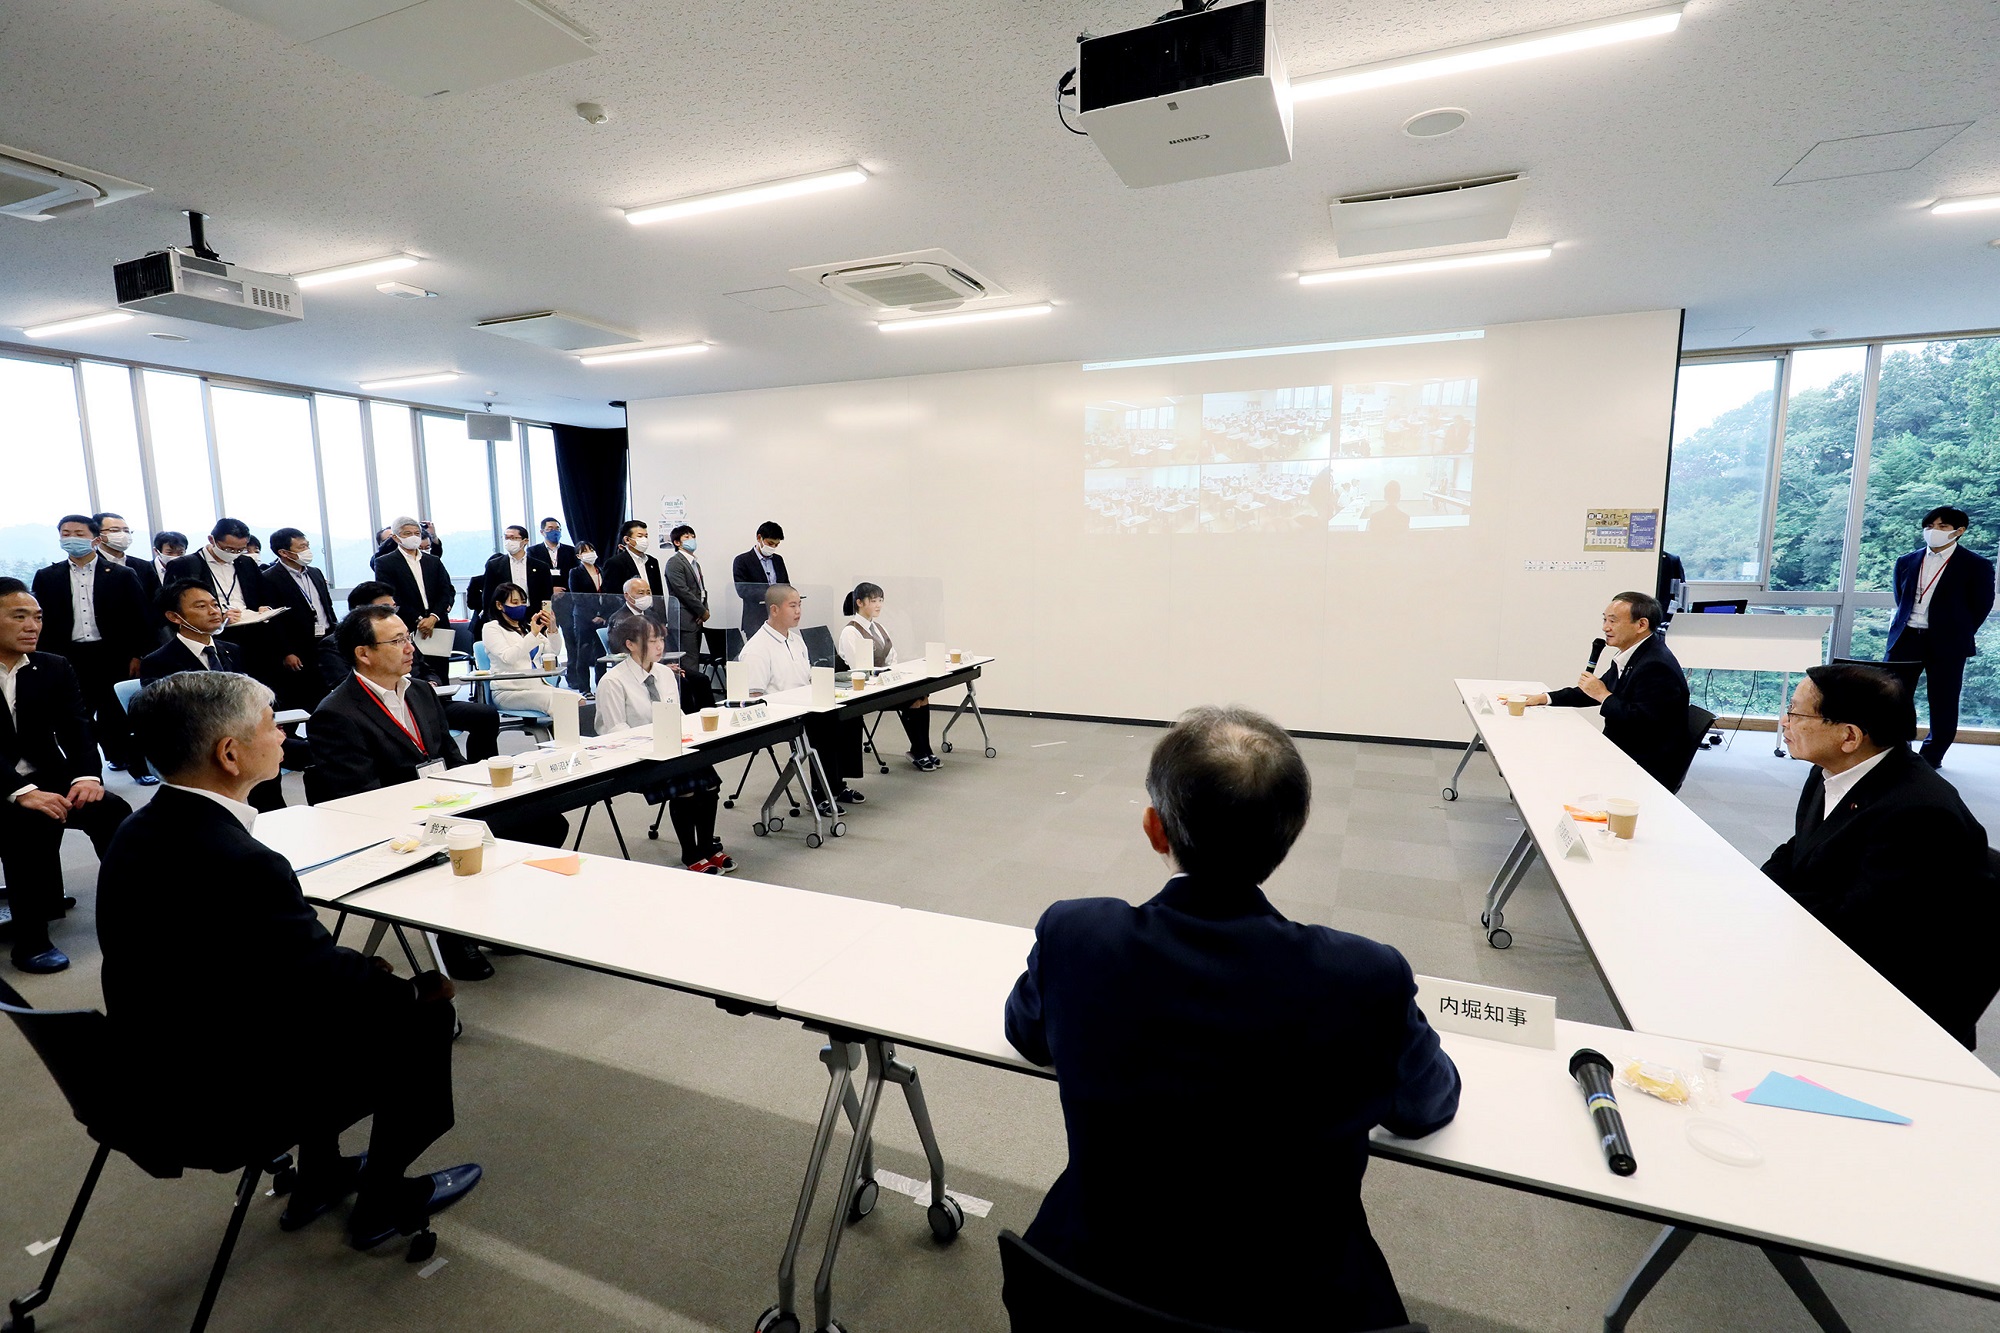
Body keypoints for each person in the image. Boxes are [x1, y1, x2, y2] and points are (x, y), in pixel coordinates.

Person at [1004, 706, 1458, 1331]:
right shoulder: (1363, 976)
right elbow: (1423, 1107)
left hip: (1089, 1290)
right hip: (1299, 1308)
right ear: (1293, 831)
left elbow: (1026, 1034)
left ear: (1154, 830)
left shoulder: (1077, 934)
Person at [104, 670, 480, 1249]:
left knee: (335, 999)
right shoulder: (239, 859)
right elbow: (320, 980)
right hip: (229, 1095)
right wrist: (408, 990)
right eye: (270, 724)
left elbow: (274, 968)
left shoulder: (135, 833)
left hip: (153, 1070)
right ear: (229, 753)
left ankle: (322, 1176)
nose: (283, 734)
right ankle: (384, 1199)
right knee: (423, 1016)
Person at [310, 606, 566, 980]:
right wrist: (436, 809)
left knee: (545, 824)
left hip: (449, 804)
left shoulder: (420, 693)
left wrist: (478, 788)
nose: (410, 647)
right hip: (395, 823)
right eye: (397, 641)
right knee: (465, 841)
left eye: (408, 637)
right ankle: (453, 933)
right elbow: (359, 797)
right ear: (363, 653)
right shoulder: (336, 713)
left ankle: (490, 914)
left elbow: (449, 755)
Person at [1763, 664, 1998, 1047]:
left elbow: (1862, 923)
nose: (1784, 722)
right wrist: (1755, 890)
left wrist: (1769, 912)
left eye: (1796, 713)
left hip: (1890, 997)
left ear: (1850, 735)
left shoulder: (1919, 812)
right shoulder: (1836, 769)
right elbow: (1799, 848)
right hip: (1828, 949)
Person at [0, 578, 133, 974]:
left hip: (46, 775)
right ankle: (31, 939)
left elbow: (76, 728)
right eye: (19, 616)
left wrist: (86, 777)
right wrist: (20, 791)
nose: (32, 626)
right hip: (2, 786)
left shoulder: (53, 666)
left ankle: (132, 910)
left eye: (37, 617)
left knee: (112, 810)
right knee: (27, 820)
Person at [596, 613, 733, 874]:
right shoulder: (612, 682)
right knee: (687, 785)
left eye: (661, 639)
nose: (660, 646)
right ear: (630, 644)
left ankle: (706, 846)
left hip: (670, 747)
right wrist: (656, 743)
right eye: (652, 640)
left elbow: (675, 714)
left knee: (709, 780)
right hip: (636, 756)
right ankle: (690, 852)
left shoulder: (665, 674)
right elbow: (616, 734)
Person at [142, 579, 287, 813]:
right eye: (200, 606)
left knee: (277, 754)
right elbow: (168, 717)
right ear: (174, 617)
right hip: (200, 745)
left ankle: (274, 817)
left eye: (215, 604)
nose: (213, 611)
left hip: (243, 737)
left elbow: (253, 699)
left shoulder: (232, 650)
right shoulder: (159, 662)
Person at [1526, 591, 1692, 790]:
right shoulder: (1636, 652)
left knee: (1556, 761)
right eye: (1605, 620)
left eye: (1613, 621)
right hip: (1623, 748)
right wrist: (1544, 698)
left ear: (1641, 625)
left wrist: (1603, 695)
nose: (1605, 627)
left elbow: (1641, 721)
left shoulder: (1656, 665)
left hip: (1645, 762)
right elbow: (1592, 691)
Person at [30, 515, 149, 778]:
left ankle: (135, 766)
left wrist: (138, 655)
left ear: (95, 538)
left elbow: (139, 618)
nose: (71, 538)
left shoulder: (122, 574)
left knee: (118, 713)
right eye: (65, 533)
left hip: (112, 654)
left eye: (79, 534)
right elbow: (41, 620)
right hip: (68, 656)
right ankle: (88, 773)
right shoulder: (47, 576)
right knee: (74, 717)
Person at [1886, 506, 1996, 769]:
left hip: (1948, 642)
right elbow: (1900, 599)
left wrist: (1958, 631)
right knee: (1893, 697)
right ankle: (1896, 750)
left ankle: (1931, 758)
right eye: (1929, 526)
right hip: (1906, 637)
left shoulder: (1976, 565)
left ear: (1959, 531)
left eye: (1942, 527)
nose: (1934, 531)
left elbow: (1981, 605)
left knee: (1943, 700)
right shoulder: (1906, 561)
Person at [738, 584, 864, 813]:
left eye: (800, 605)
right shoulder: (756, 648)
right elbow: (754, 697)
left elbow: (806, 677)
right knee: (824, 724)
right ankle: (819, 794)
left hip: (804, 705)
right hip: (780, 714)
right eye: (792, 606)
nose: (798, 611)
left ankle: (837, 784)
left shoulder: (796, 640)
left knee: (849, 714)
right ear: (774, 610)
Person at [348, 582, 500, 763]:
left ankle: (482, 770)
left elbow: (428, 670)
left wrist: (431, 683)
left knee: (484, 715)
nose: (409, 648)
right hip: (380, 707)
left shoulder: (405, 642)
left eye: (393, 607)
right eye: (384, 608)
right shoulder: (342, 647)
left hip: (421, 698)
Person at [838, 582, 939, 771]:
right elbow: (859, 669)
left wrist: (892, 674)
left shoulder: (879, 627)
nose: (878, 605)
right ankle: (918, 749)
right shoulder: (850, 631)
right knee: (913, 700)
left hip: (886, 683)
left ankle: (923, 748)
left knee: (922, 695)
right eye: (873, 600)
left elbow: (892, 657)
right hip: (869, 690)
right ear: (859, 602)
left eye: (880, 600)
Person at [369, 516, 457, 684]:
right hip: (407, 625)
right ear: (395, 537)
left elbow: (445, 591)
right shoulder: (385, 563)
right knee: (414, 674)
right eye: (407, 533)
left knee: (441, 675)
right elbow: (392, 596)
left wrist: (433, 617)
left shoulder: (433, 561)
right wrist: (419, 620)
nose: (413, 537)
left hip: (438, 625)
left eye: (416, 533)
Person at [263, 527, 340, 711]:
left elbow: (326, 605)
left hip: (325, 637)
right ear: (283, 552)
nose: (307, 550)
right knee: (303, 693)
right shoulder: (270, 578)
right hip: (298, 645)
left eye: (307, 545)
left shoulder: (315, 572)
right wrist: (287, 651)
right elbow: (274, 621)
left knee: (327, 689)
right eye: (301, 547)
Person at [479, 582, 562, 714]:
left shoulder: (526, 627)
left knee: (578, 700)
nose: (520, 606)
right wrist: (533, 634)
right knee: (561, 703)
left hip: (536, 687)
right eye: (515, 602)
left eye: (523, 602)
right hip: (509, 691)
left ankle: (567, 734)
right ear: (499, 605)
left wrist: (552, 628)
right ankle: (564, 734)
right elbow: (508, 657)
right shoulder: (491, 628)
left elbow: (553, 651)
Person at [92, 511, 160, 636]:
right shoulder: (91, 566)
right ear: (98, 535)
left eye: (126, 531)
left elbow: (156, 602)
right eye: (115, 530)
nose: (122, 535)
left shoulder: (143, 566)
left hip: (142, 637)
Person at [481, 525, 555, 627]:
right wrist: (490, 618)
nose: (509, 541)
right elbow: (488, 595)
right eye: (506, 538)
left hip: (533, 615)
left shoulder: (541, 566)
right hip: (505, 615)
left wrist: (545, 618)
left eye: (513, 538)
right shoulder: (494, 565)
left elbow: (547, 595)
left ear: (525, 541)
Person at [662, 525, 710, 671]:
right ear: (677, 542)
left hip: (696, 619)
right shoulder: (675, 562)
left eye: (693, 536)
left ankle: (694, 691)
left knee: (693, 658)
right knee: (688, 661)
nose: (692, 540)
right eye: (687, 537)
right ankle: (688, 692)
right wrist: (702, 611)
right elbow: (682, 591)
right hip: (684, 619)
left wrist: (704, 610)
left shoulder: (695, 563)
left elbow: (700, 590)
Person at [565, 542, 610, 691]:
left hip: (602, 617)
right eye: (585, 551)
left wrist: (603, 615)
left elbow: (608, 594)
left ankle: (602, 686)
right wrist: (591, 616)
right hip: (584, 618)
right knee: (583, 653)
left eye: (591, 549)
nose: (590, 553)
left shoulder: (601, 571)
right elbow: (577, 597)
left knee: (601, 654)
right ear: (578, 556)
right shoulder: (575, 572)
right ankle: (584, 688)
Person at [732, 521, 790, 634]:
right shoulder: (742, 561)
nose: (773, 547)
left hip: (778, 618)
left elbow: (786, 584)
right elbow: (743, 590)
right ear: (759, 538)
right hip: (755, 620)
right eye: (770, 543)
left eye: (776, 545)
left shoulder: (778, 560)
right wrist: (772, 594)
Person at [601, 519, 663, 601]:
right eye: (640, 536)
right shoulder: (615, 563)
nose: (644, 540)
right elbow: (611, 595)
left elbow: (658, 592)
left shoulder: (652, 561)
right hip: (627, 610)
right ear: (627, 540)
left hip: (651, 610)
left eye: (646, 536)